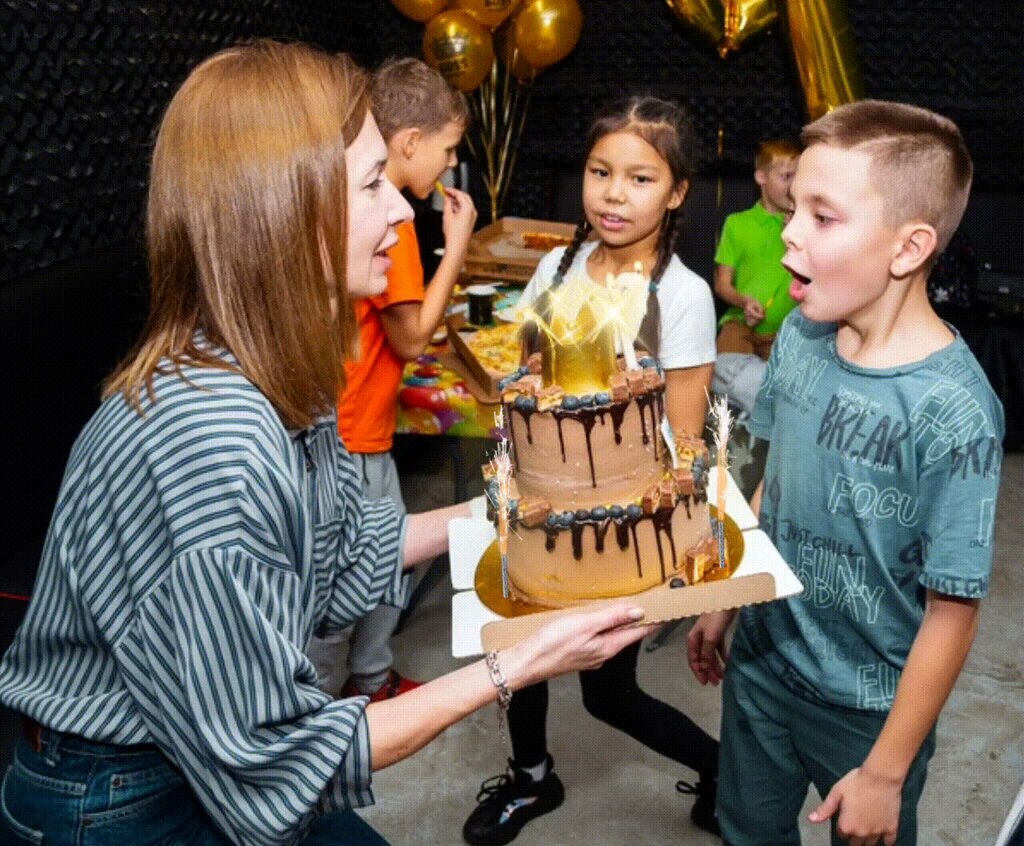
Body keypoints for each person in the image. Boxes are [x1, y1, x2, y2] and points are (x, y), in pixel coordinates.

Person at [0, 41, 658, 846]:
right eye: (372, 183)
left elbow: (349, 547)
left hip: (188, 758)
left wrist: (523, 513)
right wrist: (516, 664)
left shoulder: (284, 371)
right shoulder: (213, 440)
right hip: (116, 794)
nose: (398, 210)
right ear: (284, 209)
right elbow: (276, 759)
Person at [689, 100, 1004, 846]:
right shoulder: (798, 336)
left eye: (822, 217)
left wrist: (887, 772)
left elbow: (951, 613)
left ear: (908, 248)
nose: (790, 231)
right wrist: (727, 595)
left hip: (870, 713)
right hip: (762, 668)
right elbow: (773, 481)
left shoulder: (955, 411)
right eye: (794, 205)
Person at [462, 96, 720, 846]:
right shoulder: (556, 263)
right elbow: (528, 382)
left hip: (625, 530)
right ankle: (531, 779)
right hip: (544, 510)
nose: (613, 193)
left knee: (608, 694)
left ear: (675, 193)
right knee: (518, 657)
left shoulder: (684, 296)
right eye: (600, 171)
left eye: (640, 178)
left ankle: (723, 770)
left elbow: (684, 433)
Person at [306, 57, 477, 704]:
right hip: (349, 429)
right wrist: (456, 243)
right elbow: (411, 337)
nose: (448, 164)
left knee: (381, 560)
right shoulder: (395, 220)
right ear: (410, 143)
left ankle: (372, 677)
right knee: (346, 576)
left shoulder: (383, 212)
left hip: (362, 423)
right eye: (448, 149)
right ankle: (319, 707)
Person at [713, 139, 800, 360]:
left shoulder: (805, 225)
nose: (793, 186)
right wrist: (744, 302)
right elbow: (722, 285)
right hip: (742, 323)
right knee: (724, 370)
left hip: (788, 330)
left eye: (798, 177)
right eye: (786, 177)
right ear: (761, 177)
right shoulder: (737, 223)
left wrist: (798, 231)